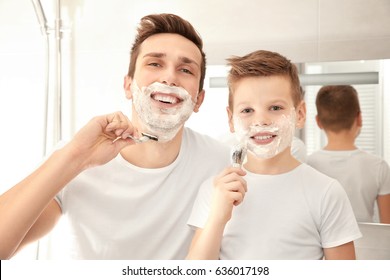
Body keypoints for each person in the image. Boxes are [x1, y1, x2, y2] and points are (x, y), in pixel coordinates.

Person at [0, 13, 231, 260]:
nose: (169, 78)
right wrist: (76, 156)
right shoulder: (75, 158)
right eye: (154, 64)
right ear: (128, 86)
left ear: (199, 100)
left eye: (185, 70)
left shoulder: (218, 161)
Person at [186, 50, 361, 260]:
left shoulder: (326, 192)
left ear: (300, 114)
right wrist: (217, 218)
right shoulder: (214, 190)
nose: (261, 121)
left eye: (275, 107)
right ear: (231, 120)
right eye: (247, 110)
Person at [307, 85, 390, 224]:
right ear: (359, 118)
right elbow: (387, 226)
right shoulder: (378, 166)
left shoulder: (307, 165)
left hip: (321, 246)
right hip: (368, 245)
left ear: (318, 121)